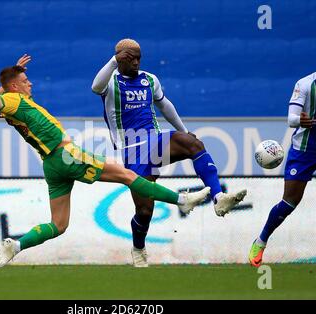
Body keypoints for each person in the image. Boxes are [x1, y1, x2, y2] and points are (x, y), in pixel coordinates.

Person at [0, 57, 211, 268]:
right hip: (66, 154)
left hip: (51, 165)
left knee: (59, 225)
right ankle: (182, 200)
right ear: (15, 87)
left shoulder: (14, 103)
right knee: (129, 176)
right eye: (25, 80)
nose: (30, 84)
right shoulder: (13, 101)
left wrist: (14, 72)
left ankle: (17, 246)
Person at [92, 39, 247, 267]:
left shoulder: (149, 79)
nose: (135, 62)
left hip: (155, 141)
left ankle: (218, 197)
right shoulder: (111, 82)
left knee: (193, 144)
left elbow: (165, 106)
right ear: (120, 58)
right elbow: (96, 87)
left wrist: (185, 132)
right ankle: (138, 248)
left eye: (138, 57)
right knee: (144, 211)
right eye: (130, 58)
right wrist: (114, 61)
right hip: (132, 149)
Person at [249, 72, 316, 267]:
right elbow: (291, 118)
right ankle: (261, 241)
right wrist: (301, 121)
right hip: (304, 150)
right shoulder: (305, 84)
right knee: (289, 202)